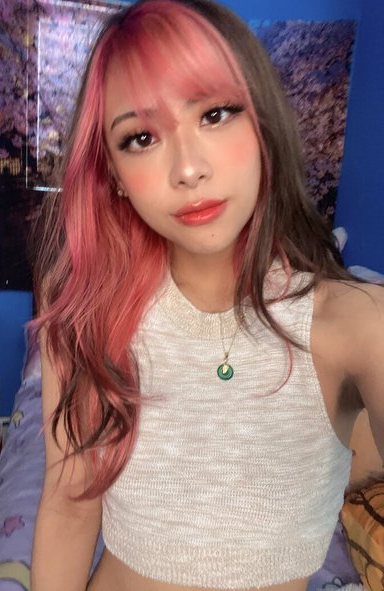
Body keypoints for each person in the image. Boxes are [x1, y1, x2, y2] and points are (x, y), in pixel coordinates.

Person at [31, 1, 384, 590]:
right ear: (113, 174)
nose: (188, 169)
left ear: (262, 124)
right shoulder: (86, 308)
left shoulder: (356, 324)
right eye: (141, 137)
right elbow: (68, 510)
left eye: (215, 114)